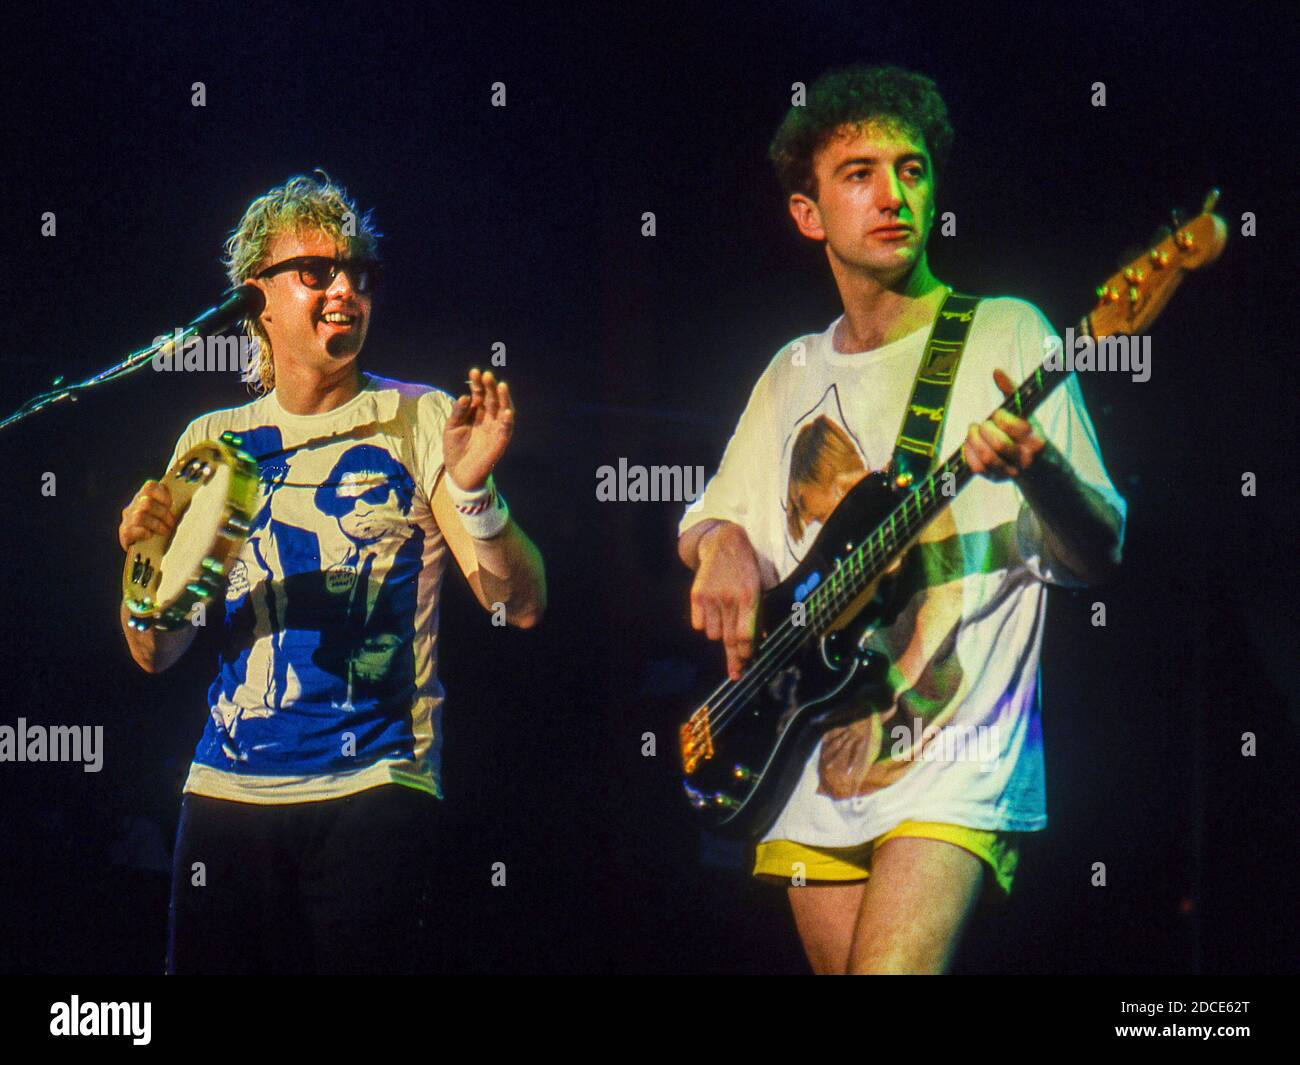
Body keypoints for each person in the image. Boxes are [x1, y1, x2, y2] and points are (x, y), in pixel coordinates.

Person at [677, 67, 1126, 974]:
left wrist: (1038, 471)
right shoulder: (791, 369)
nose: (894, 194)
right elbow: (710, 521)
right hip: (805, 758)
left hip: (955, 754)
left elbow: (1099, 553)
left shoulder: (1008, 331)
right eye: (860, 173)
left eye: (912, 169)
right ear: (810, 215)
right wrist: (721, 542)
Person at [116, 172, 546, 974]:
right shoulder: (212, 438)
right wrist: (146, 562)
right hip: (227, 792)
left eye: (358, 273)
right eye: (315, 271)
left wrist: (476, 490)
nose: (344, 288)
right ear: (260, 301)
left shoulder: (417, 417)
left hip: (376, 786)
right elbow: (154, 650)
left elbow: (516, 604)